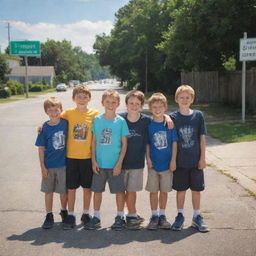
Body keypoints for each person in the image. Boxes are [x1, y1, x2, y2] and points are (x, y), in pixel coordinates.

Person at [84, 89, 130, 230]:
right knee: (97, 191)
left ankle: (120, 216)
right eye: (108, 102)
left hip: (115, 165)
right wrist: (93, 160)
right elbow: (94, 141)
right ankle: (96, 217)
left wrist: (119, 163)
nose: (110, 104)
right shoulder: (97, 120)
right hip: (99, 164)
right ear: (102, 103)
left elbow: (124, 144)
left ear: (118, 104)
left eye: (113, 102)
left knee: (119, 191)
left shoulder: (121, 121)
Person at [170, 85, 209, 232]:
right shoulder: (173, 117)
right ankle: (180, 215)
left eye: (187, 97)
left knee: (196, 190)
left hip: (195, 161)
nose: (185, 100)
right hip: (180, 162)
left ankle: (197, 216)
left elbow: (202, 138)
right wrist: (173, 160)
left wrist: (203, 158)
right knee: (181, 190)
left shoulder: (198, 115)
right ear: (176, 99)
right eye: (182, 97)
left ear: (192, 99)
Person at [62, 85, 100, 229]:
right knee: (71, 188)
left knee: (87, 188)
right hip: (71, 157)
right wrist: (42, 126)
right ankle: (71, 215)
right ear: (73, 99)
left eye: (85, 97)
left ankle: (85, 213)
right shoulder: (69, 113)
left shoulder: (95, 114)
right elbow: (54, 119)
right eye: (79, 97)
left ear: (89, 98)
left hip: (87, 157)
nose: (82, 99)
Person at [145, 93, 178, 230]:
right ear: (150, 108)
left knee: (164, 191)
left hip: (167, 165)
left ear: (165, 107)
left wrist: (173, 160)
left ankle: (162, 215)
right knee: (153, 191)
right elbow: (147, 144)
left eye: (160, 106)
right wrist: (148, 160)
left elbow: (174, 143)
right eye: (154, 107)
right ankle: (154, 216)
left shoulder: (169, 124)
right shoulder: (149, 125)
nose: (157, 109)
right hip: (153, 165)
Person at [35, 97, 68, 229]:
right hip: (49, 165)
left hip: (64, 165)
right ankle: (49, 214)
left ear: (61, 110)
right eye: (50, 110)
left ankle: (64, 210)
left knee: (63, 191)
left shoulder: (66, 123)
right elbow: (41, 149)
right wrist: (42, 167)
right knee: (48, 191)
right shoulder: (44, 128)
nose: (53, 113)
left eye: (56, 110)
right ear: (46, 112)